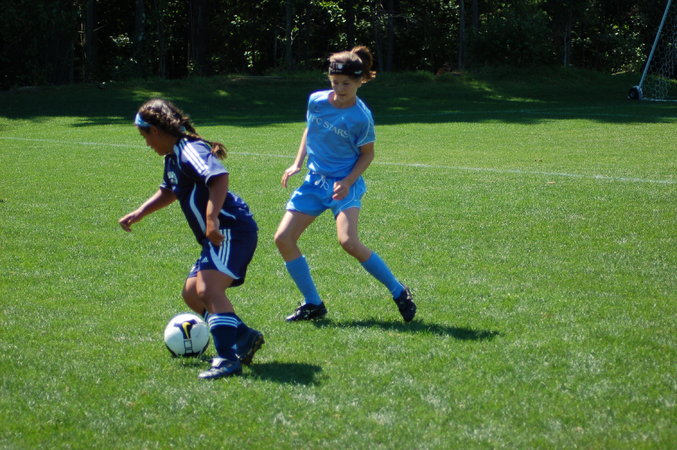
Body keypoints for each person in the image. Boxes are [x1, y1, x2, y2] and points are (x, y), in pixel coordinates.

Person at [119, 98, 263, 379]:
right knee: (191, 292)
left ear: (156, 131)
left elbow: (218, 177)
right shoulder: (173, 157)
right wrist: (140, 212)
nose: (147, 144)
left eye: (145, 137)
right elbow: (169, 190)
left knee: (209, 291)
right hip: (217, 233)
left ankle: (227, 359)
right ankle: (243, 336)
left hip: (230, 230)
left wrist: (211, 218)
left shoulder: (189, 150)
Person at [274, 46, 416, 322]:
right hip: (314, 183)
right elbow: (310, 129)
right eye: (335, 82)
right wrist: (297, 163)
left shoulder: (361, 116)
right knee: (283, 238)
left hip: (344, 185)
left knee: (348, 241)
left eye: (346, 84)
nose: (339, 88)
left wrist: (348, 181)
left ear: (360, 81)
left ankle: (399, 291)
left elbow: (367, 154)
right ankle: (313, 303)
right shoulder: (316, 101)